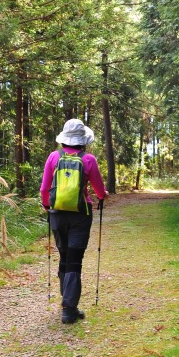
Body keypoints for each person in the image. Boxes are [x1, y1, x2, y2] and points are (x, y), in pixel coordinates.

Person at [40, 118, 107, 324]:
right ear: (83, 140)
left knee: (64, 256)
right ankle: (69, 309)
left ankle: (67, 301)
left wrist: (47, 206)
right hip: (80, 214)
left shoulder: (54, 157)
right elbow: (99, 191)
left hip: (57, 214)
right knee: (75, 260)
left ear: (64, 139)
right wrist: (103, 196)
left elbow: (44, 189)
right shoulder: (88, 160)